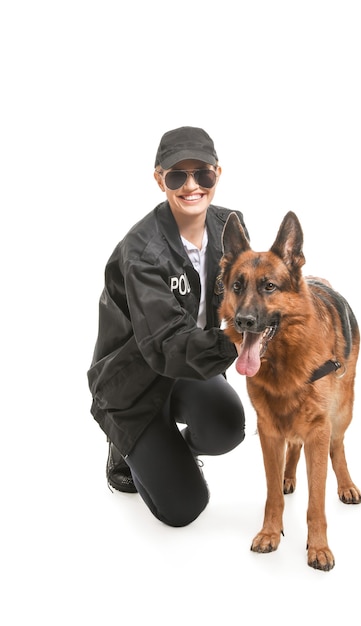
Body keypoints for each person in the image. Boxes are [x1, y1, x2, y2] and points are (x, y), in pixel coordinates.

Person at [87, 126, 248, 527]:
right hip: (134, 380)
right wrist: (239, 336)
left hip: (188, 371)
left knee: (228, 427)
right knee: (185, 509)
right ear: (160, 179)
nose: (191, 186)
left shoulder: (229, 225)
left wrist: (305, 290)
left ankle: (171, 450)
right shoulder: (142, 252)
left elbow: (252, 288)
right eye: (178, 175)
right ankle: (124, 444)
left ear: (217, 173)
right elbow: (165, 346)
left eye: (202, 174)